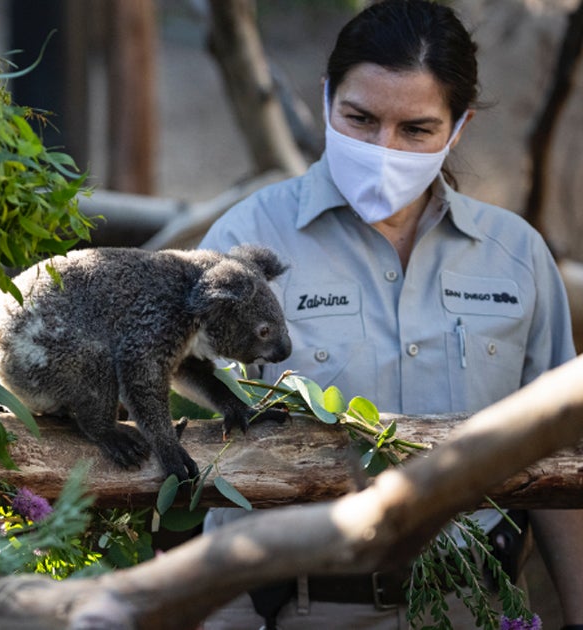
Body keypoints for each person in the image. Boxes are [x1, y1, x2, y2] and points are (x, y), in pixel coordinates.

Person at [196, 1, 582, 628]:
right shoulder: (244, 244)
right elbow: (188, 426)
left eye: (416, 130)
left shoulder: (516, 256)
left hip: (473, 604)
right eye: (361, 118)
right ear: (327, 97)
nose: (383, 148)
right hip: (290, 605)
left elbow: (559, 449)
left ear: (458, 127)